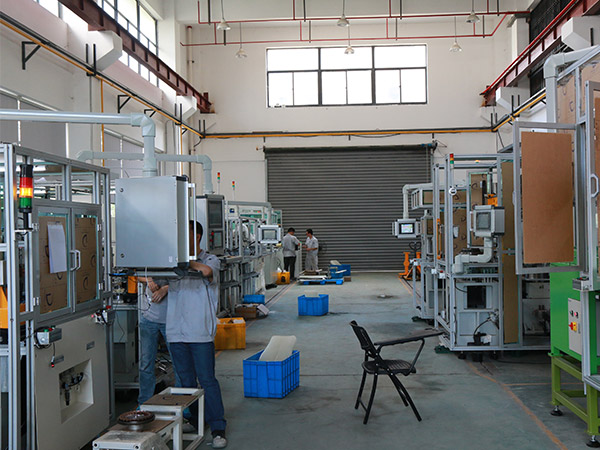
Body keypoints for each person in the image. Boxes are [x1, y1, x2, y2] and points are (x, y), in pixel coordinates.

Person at [165, 221, 227, 449]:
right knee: (186, 381)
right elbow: (154, 277)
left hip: (200, 332)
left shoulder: (210, 259)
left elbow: (207, 272)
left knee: (207, 379)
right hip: (176, 331)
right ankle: (195, 419)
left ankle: (218, 427)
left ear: (197, 236)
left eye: (186, 235)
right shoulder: (172, 263)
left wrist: (184, 261)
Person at [137, 277, 172, 406]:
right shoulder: (147, 262)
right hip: (148, 319)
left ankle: (183, 403)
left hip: (171, 319)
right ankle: (144, 404)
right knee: (146, 364)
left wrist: (165, 289)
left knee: (179, 363)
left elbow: (184, 280)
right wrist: (149, 280)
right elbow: (136, 272)